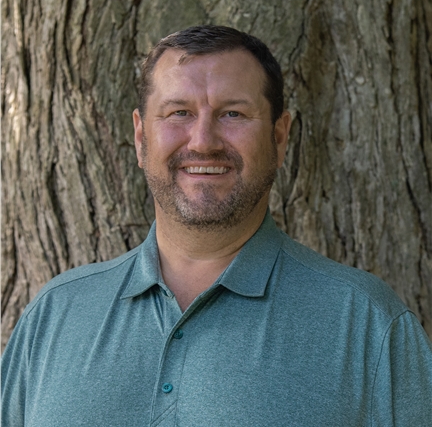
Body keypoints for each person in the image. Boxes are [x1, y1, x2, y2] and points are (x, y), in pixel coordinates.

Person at [2, 25, 432, 427]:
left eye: (232, 114)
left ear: (279, 138)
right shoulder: (55, 315)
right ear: (140, 138)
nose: (203, 140)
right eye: (178, 112)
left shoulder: (367, 323)